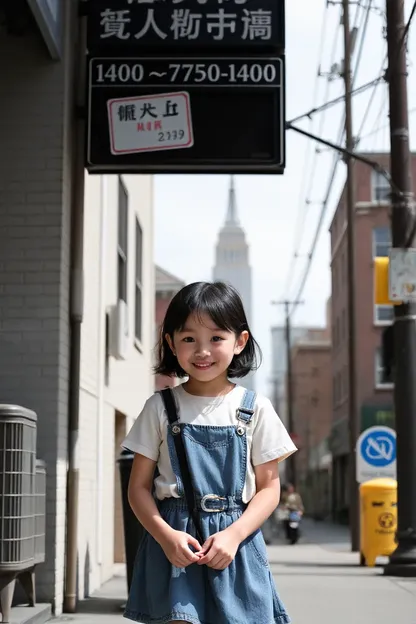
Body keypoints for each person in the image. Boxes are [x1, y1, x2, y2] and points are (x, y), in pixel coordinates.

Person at [122, 281, 297, 624]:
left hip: (236, 543)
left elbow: (269, 488)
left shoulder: (255, 408)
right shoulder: (160, 407)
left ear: (240, 341)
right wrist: (165, 536)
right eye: (189, 339)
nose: (202, 351)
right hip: (174, 545)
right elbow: (137, 488)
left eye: (216, 338)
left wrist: (233, 535)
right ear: (171, 343)